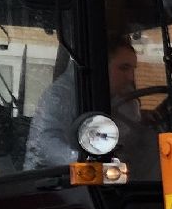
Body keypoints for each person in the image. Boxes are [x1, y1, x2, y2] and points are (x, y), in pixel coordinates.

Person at [24, 35, 161, 179]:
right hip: (61, 181)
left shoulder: (125, 97)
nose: (130, 77)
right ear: (100, 66)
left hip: (116, 177)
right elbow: (46, 143)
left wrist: (143, 122)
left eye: (133, 69)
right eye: (123, 68)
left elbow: (127, 136)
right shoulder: (61, 95)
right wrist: (85, 162)